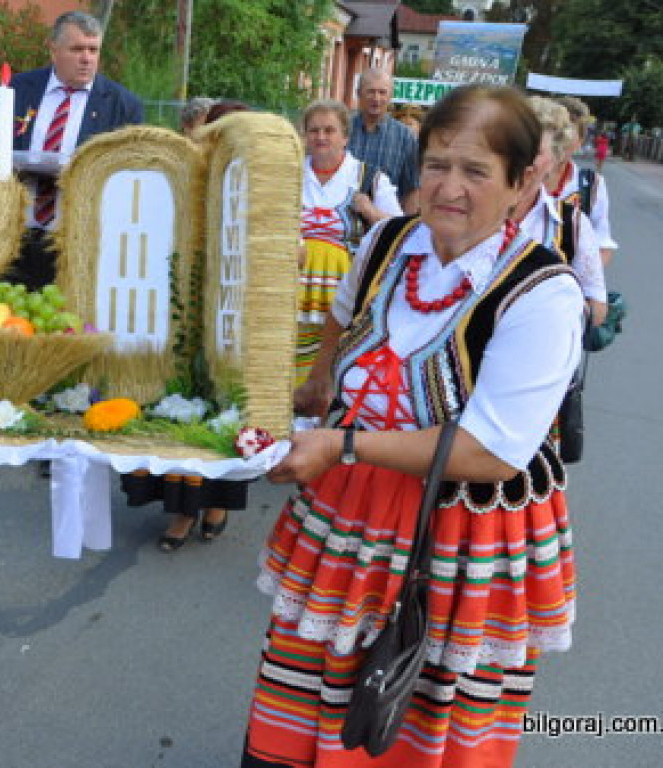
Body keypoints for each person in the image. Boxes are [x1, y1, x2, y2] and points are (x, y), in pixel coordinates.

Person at [242, 85, 584, 768]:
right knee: (315, 667)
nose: (448, 188)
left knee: (418, 694)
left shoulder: (543, 293)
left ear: (522, 182)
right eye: (436, 164)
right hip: (352, 504)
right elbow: (343, 312)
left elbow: (490, 452)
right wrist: (318, 384)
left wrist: (342, 443)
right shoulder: (389, 240)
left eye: (476, 170)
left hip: (460, 530)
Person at [120, 99, 252, 552]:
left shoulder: (252, 181)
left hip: (232, 313)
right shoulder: (182, 177)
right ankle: (182, 510)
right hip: (181, 310)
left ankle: (217, 503)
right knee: (180, 407)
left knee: (224, 410)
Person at [0, 10, 143, 289]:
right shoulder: (19, 89)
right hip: (12, 237)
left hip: (75, 243)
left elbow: (129, 177)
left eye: (93, 50)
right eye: (77, 49)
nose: (87, 58)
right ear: (53, 49)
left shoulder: (121, 105)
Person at [296, 99, 401, 385]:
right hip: (293, 291)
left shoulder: (368, 177)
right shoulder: (291, 175)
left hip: (345, 292)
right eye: (314, 130)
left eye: (329, 130)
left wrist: (370, 212)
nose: (321, 137)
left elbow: (400, 230)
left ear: (345, 136)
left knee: (334, 359)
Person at [518, 96, 607, 325]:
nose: (523, 158)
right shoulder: (470, 209)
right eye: (515, 147)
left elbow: (596, 307)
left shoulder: (573, 225)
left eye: (536, 151)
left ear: (555, 158)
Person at [548, 95, 618, 268]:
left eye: (569, 133)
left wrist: (579, 280)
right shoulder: (519, 176)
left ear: (579, 142)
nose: (561, 141)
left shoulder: (591, 186)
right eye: (555, 131)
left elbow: (603, 245)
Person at [347, 68, 420, 214]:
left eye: (382, 92)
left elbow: (411, 190)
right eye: (370, 91)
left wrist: (405, 224)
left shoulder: (405, 137)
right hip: (342, 220)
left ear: (390, 96)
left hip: (384, 221)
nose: (376, 98)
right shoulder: (342, 130)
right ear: (358, 93)